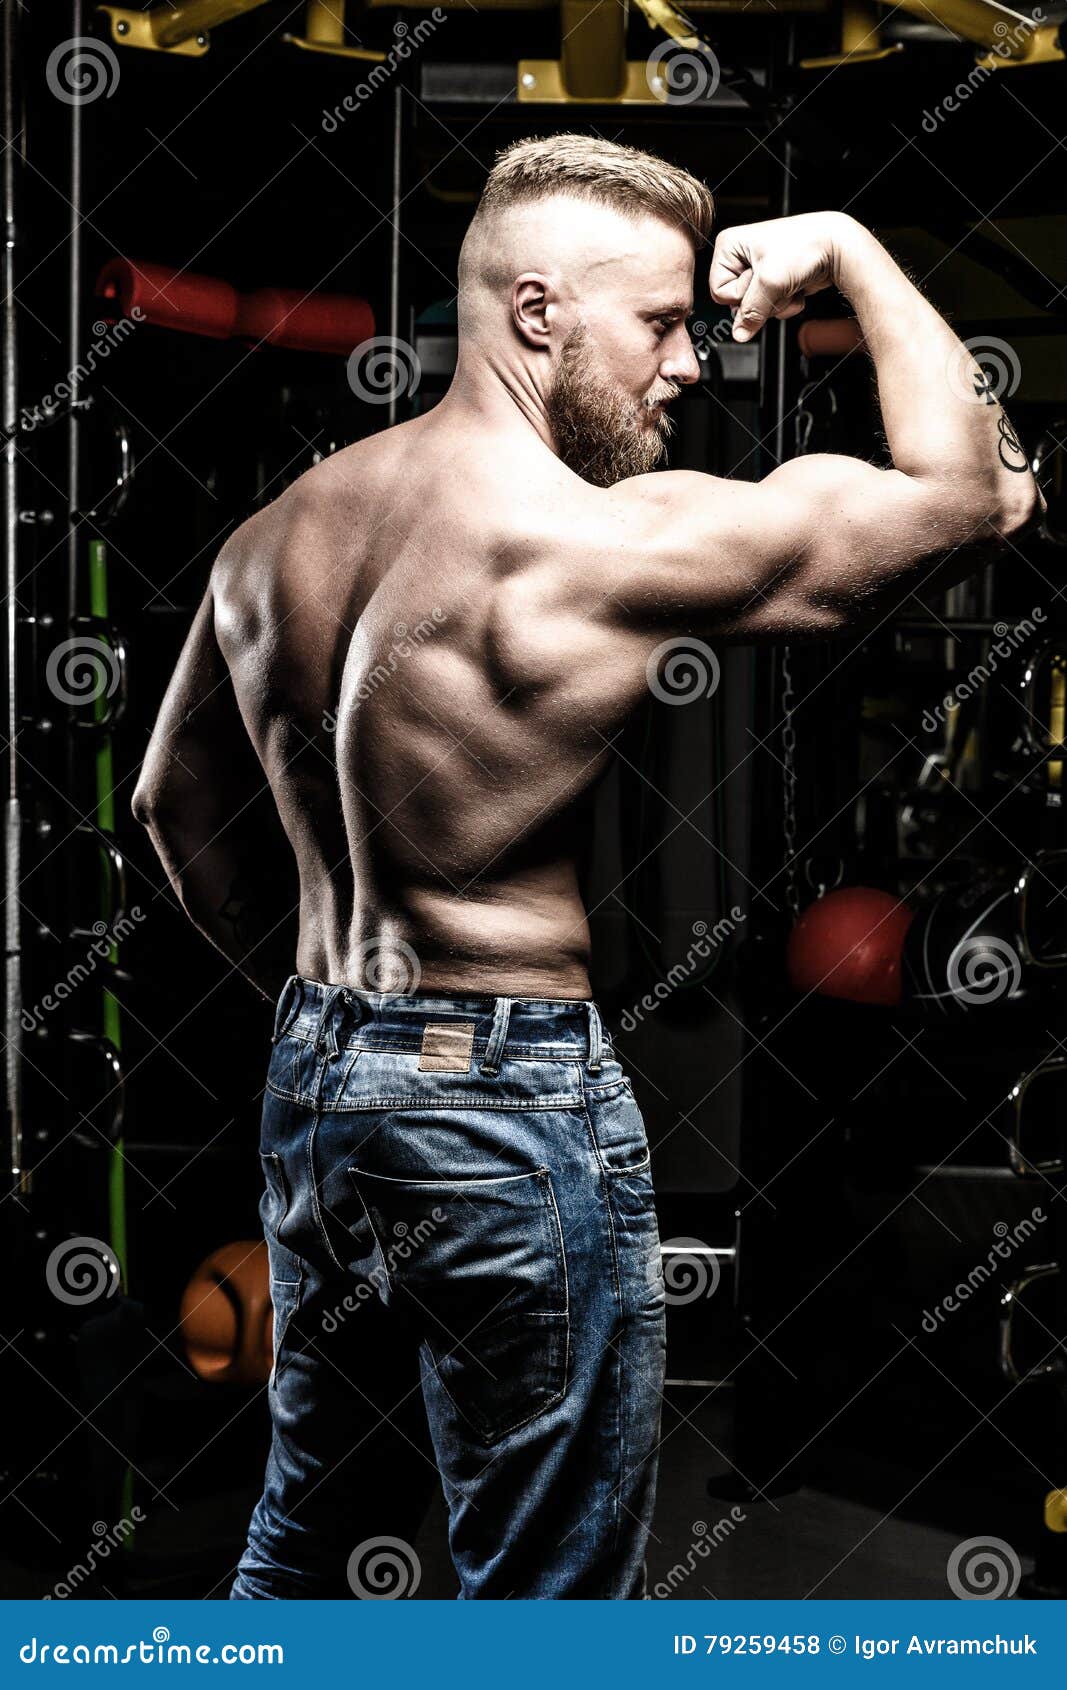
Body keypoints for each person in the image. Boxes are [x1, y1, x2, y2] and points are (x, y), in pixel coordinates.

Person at [132, 133, 1040, 1599]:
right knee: (548, 1586)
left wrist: (335, 1024)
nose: (691, 363)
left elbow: (172, 809)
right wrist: (853, 247)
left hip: (320, 1087)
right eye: (662, 324)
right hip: (507, 1099)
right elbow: (976, 495)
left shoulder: (269, 540)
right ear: (538, 314)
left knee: (305, 1532)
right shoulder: (591, 545)